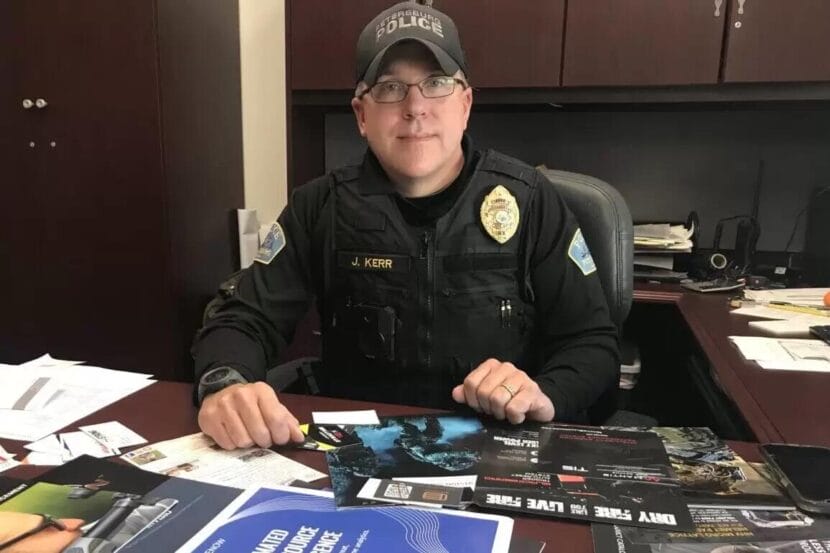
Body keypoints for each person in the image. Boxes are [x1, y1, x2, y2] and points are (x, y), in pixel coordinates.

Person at [192, 1, 619, 451]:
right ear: (361, 114)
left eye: (436, 83)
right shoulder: (319, 206)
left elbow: (592, 344)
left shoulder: (531, 200)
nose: (415, 108)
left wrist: (543, 395)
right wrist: (224, 383)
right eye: (391, 88)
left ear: (466, 102)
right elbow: (243, 319)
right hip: (360, 450)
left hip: (498, 450)